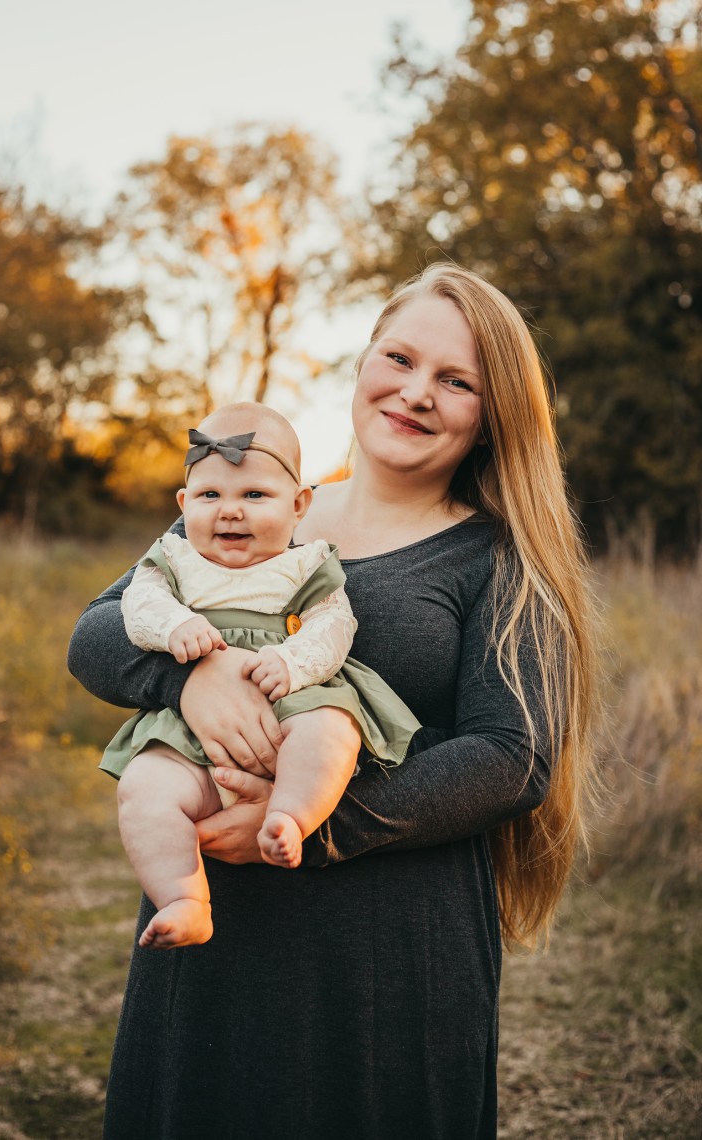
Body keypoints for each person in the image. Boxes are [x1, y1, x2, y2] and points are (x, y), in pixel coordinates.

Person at [68, 263, 601, 1139]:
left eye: (456, 381)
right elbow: (98, 633)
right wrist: (187, 679)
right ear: (362, 363)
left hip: (391, 952)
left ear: (491, 415)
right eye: (400, 358)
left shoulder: (500, 556)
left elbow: (513, 756)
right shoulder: (257, 503)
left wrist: (318, 824)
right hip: (215, 928)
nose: (416, 392)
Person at [101, 402, 419, 949]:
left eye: (254, 495)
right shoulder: (174, 558)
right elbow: (138, 603)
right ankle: (183, 898)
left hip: (292, 692)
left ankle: (291, 817)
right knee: (144, 787)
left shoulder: (306, 563)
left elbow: (333, 625)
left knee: (332, 730)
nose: (230, 512)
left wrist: (293, 663)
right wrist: (175, 625)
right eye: (210, 496)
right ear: (183, 505)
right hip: (194, 730)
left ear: (298, 506)